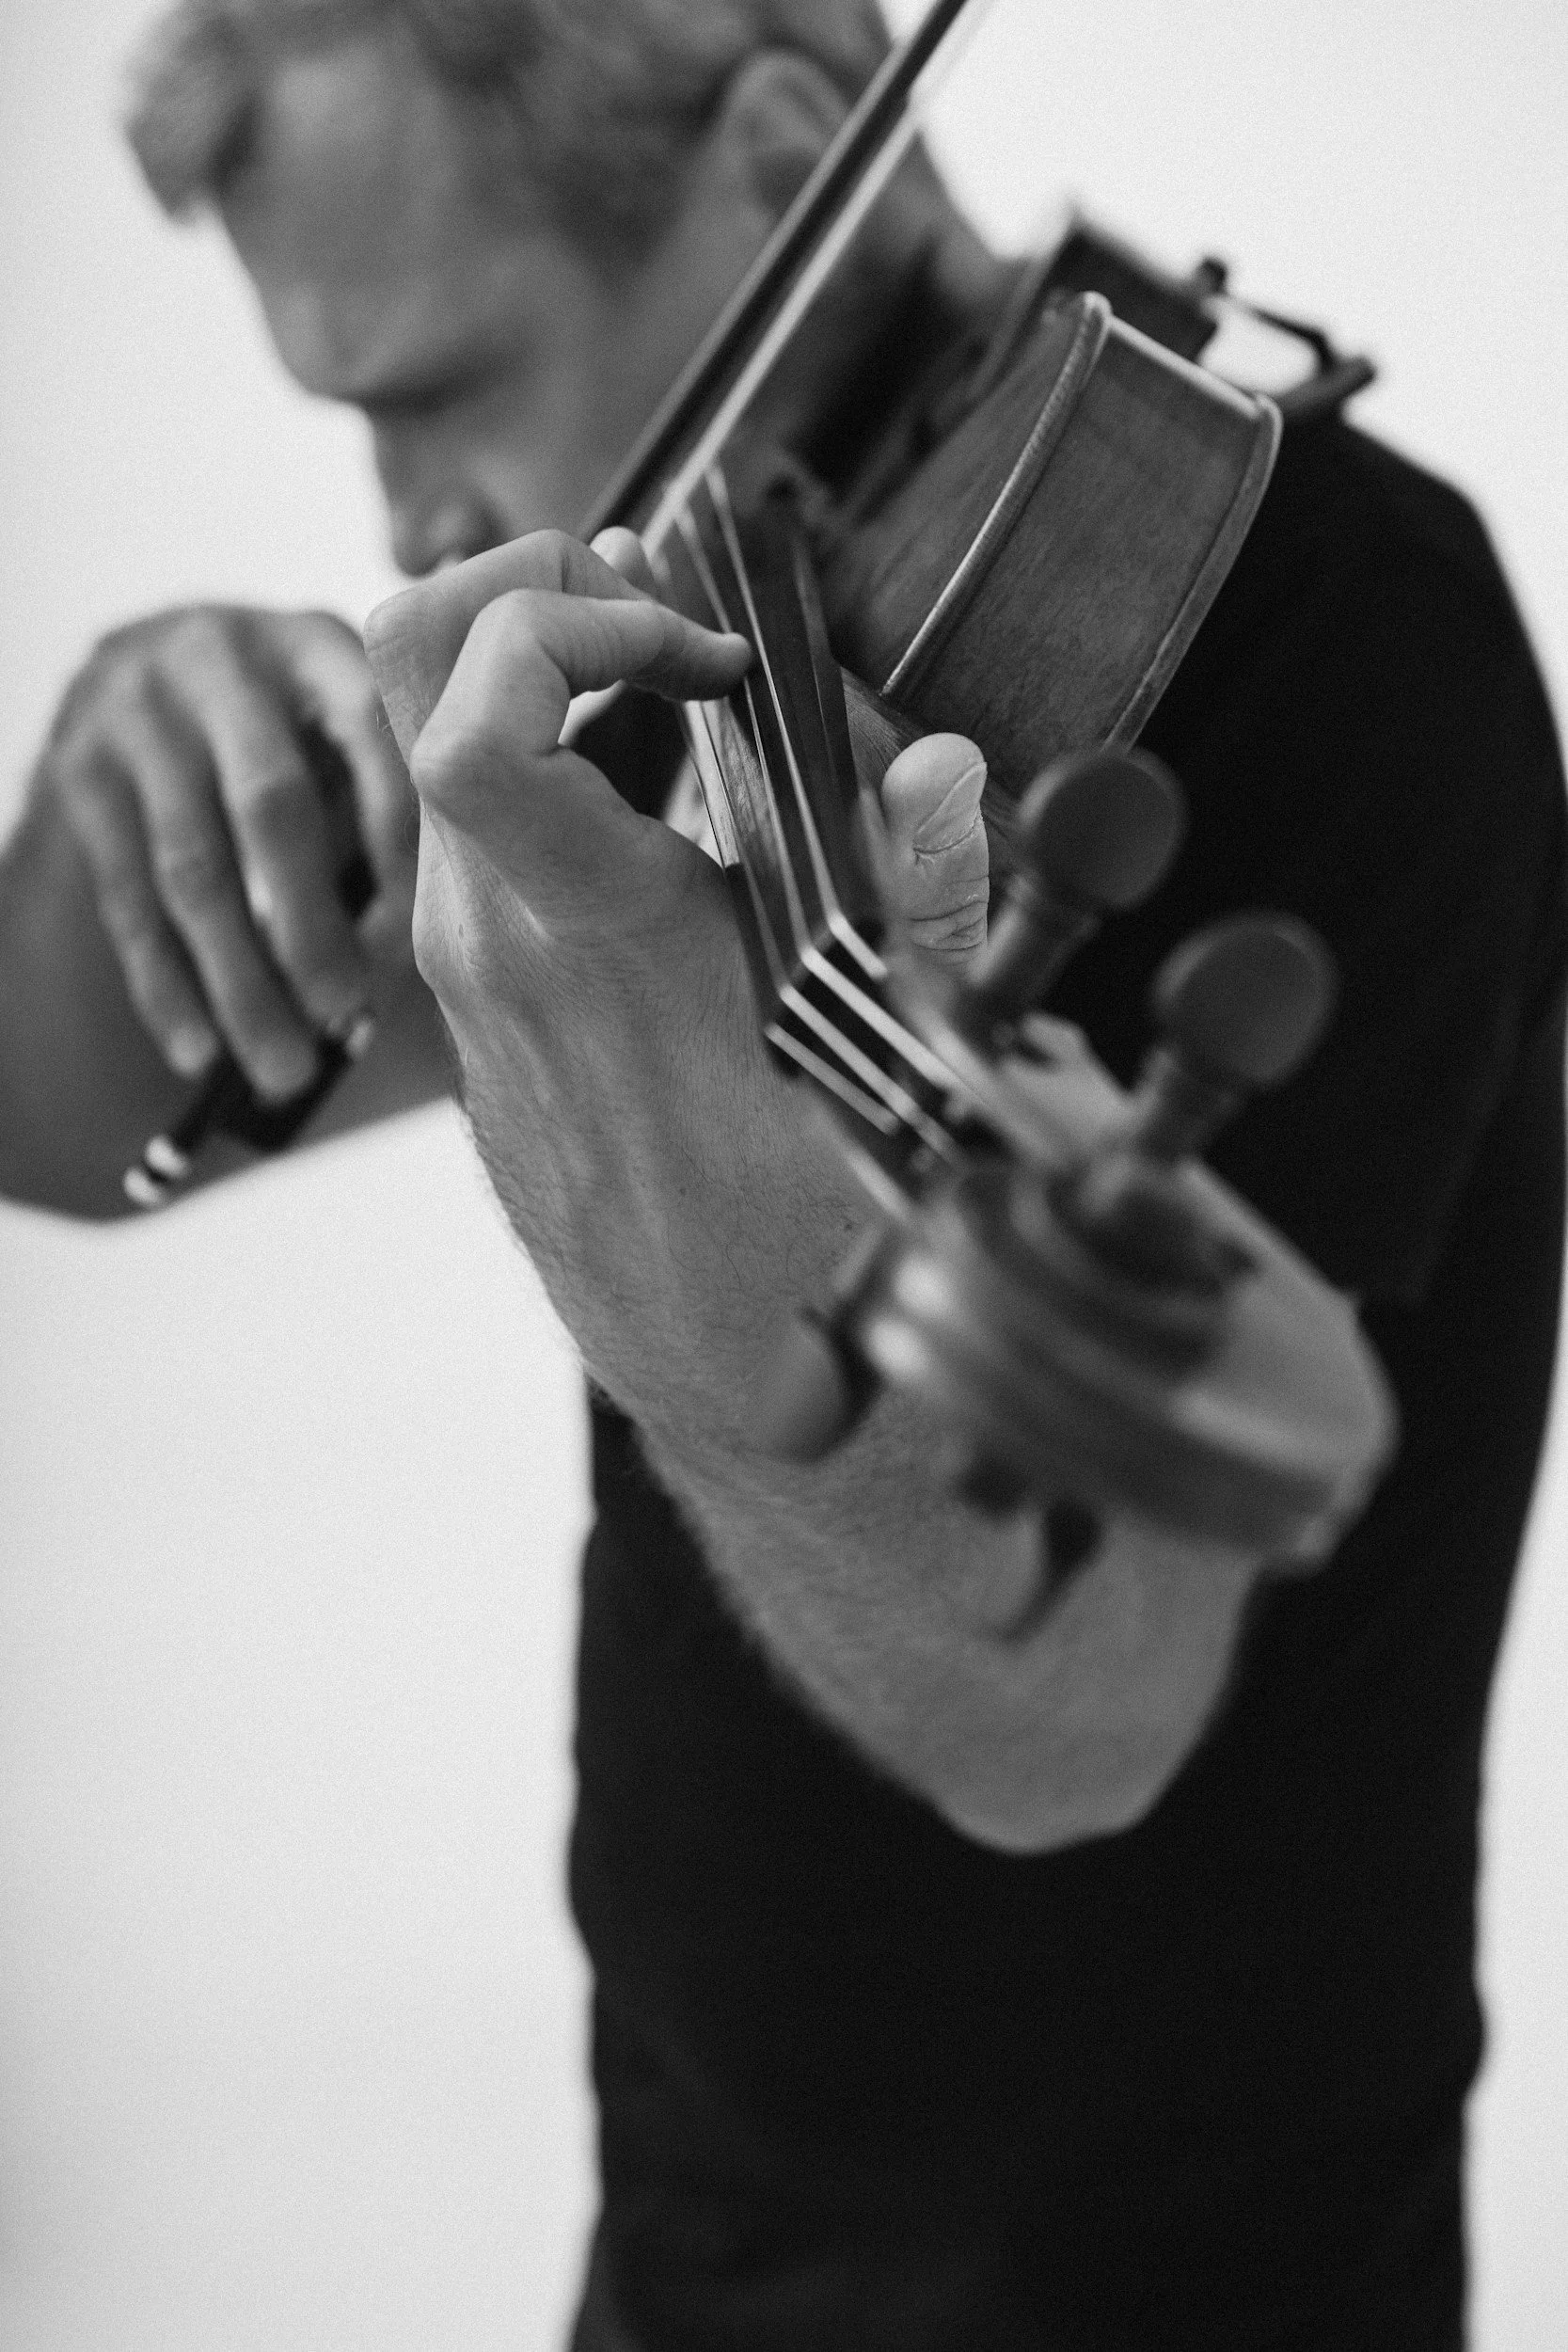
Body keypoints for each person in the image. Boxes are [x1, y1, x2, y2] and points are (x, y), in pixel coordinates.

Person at [1, 4, 1562, 2346]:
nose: (404, 519)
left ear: (777, 147)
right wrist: (123, 747)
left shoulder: (1319, 615)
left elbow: (1071, 1714)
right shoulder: (715, 637)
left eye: (438, 385)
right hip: (681, 2241)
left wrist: (688, 1270)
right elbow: (58, 1125)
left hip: (1190, 2278)